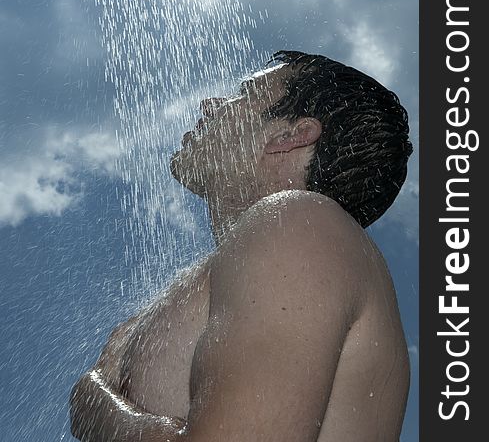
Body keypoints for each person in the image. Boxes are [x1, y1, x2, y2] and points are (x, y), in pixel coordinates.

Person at [70, 50, 413, 442]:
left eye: (245, 93)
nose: (211, 103)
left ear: (290, 135)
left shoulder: (301, 224)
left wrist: (93, 402)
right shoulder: (246, 263)